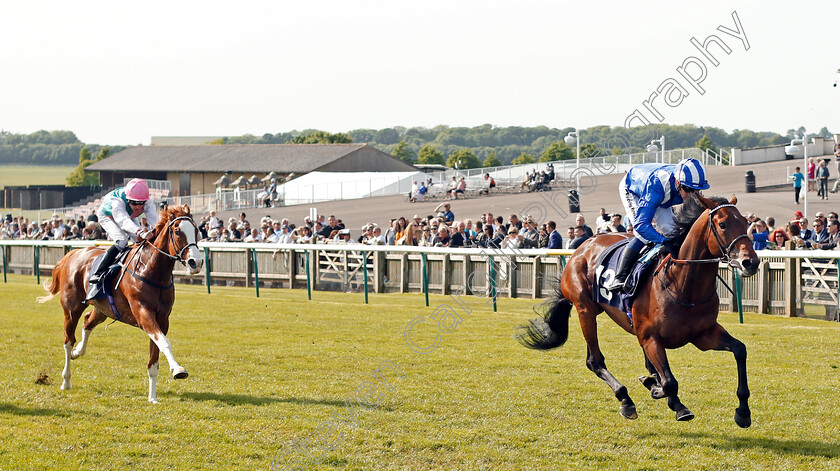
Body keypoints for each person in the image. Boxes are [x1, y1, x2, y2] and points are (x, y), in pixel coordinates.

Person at [604, 158, 710, 292]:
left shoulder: (688, 184)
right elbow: (641, 225)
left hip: (662, 195)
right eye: (689, 190)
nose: (692, 195)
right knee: (643, 235)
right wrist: (663, 241)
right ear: (678, 183)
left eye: (696, 190)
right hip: (634, 189)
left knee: (672, 231)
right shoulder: (656, 186)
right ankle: (620, 276)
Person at [88, 178, 159, 290]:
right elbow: (123, 220)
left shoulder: (147, 201)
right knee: (122, 240)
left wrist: (159, 229)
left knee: (139, 240)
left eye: (141, 203)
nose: (137, 206)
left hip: (128, 216)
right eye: (134, 202)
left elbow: (153, 218)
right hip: (108, 216)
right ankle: (98, 272)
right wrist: (141, 232)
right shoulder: (118, 201)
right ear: (128, 198)